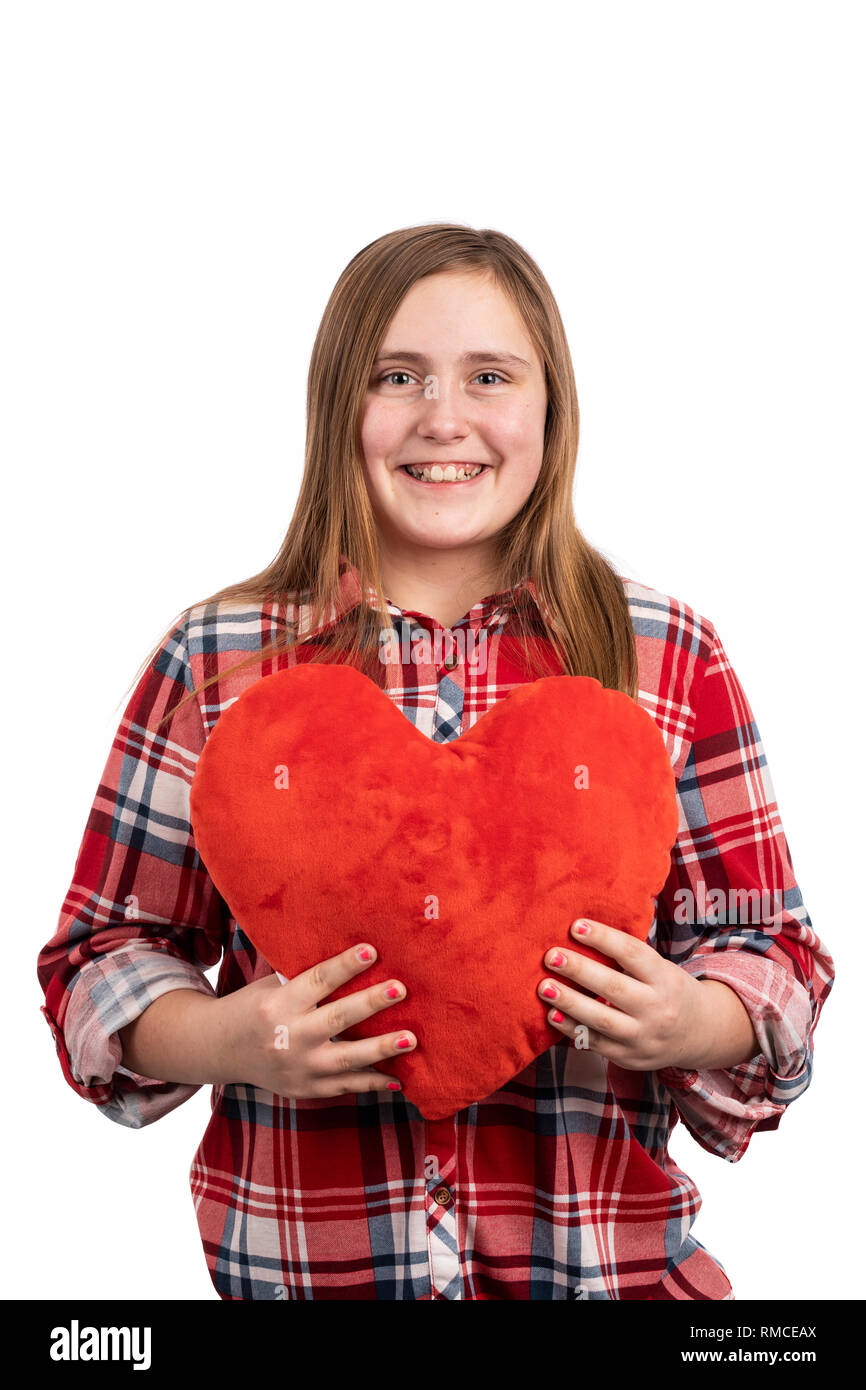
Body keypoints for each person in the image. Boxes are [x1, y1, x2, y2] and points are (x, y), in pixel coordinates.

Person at [37, 223, 835, 1301]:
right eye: (396, 375)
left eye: (489, 376)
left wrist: (687, 1019)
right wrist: (231, 1037)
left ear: (550, 408)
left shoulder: (667, 653)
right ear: (335, 406)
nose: (442, 418)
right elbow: (100, 957)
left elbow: (773, 958)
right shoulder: (215, 660)